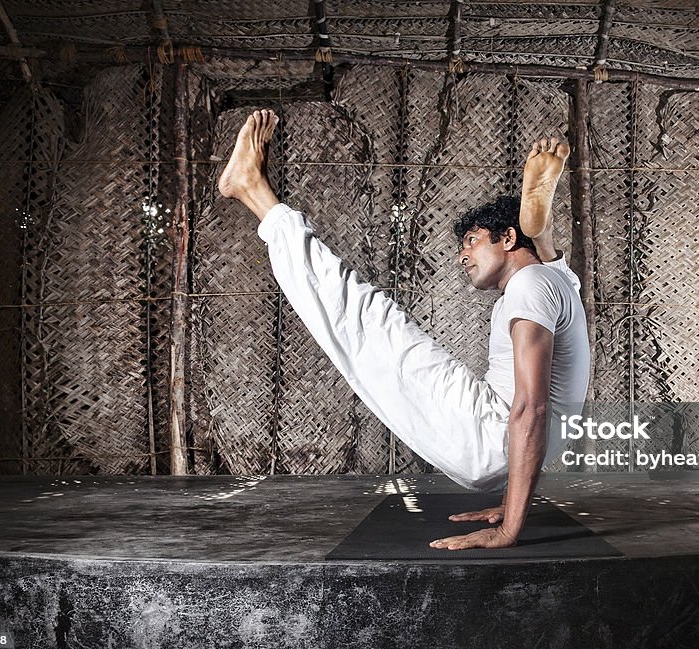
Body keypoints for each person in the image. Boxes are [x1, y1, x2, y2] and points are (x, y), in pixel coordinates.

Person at [218, 110, 589, 550]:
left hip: (492, 437)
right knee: (373, 328)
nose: (461, 256)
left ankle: (255, 192)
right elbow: (545, 401)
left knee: (368, 319)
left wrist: (509, 527)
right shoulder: (553, 282)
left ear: (507, 239)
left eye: (471, 241)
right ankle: (541, 231)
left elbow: (532, 408)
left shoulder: (529, 285)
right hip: (517, 452)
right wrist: (508, 499)